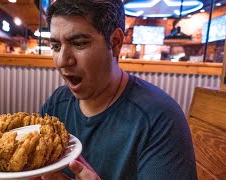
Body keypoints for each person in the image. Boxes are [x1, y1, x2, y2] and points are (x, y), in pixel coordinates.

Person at [39, 0, 197, 179]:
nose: (62, 60)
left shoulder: (159, 119)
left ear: (115, 43)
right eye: (56, 46)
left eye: (79, 43)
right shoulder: (56, 104)